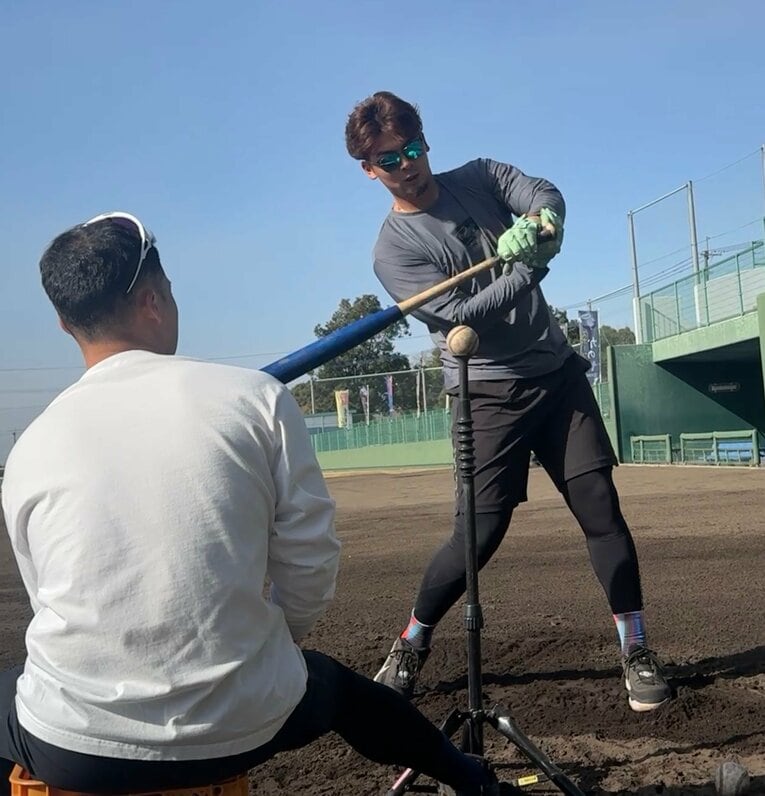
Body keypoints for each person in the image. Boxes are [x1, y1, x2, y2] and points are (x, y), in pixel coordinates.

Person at [0, 212, 502, 796]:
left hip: (76, 747)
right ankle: (474, 781)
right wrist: (273, 646)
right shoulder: (254, 397)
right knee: (344, 693)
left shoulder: (32, 444)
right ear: (154, 300)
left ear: (64, 323)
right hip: (248, 722)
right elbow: (310, 563)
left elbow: (46, 597)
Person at [344, 92, 671, 713]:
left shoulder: (480, 176)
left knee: (600, 506)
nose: (407, 165)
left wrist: (543, 222)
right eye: (389, 160)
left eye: (412, 149)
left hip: (556, 375)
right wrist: (529, 269)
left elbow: (545, 192)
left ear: (425, 142)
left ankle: (636, 648)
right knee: (479, 534)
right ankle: (412, 641)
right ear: (369, 170)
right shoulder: (393, 251)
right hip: (487, 391)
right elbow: (462, 317)